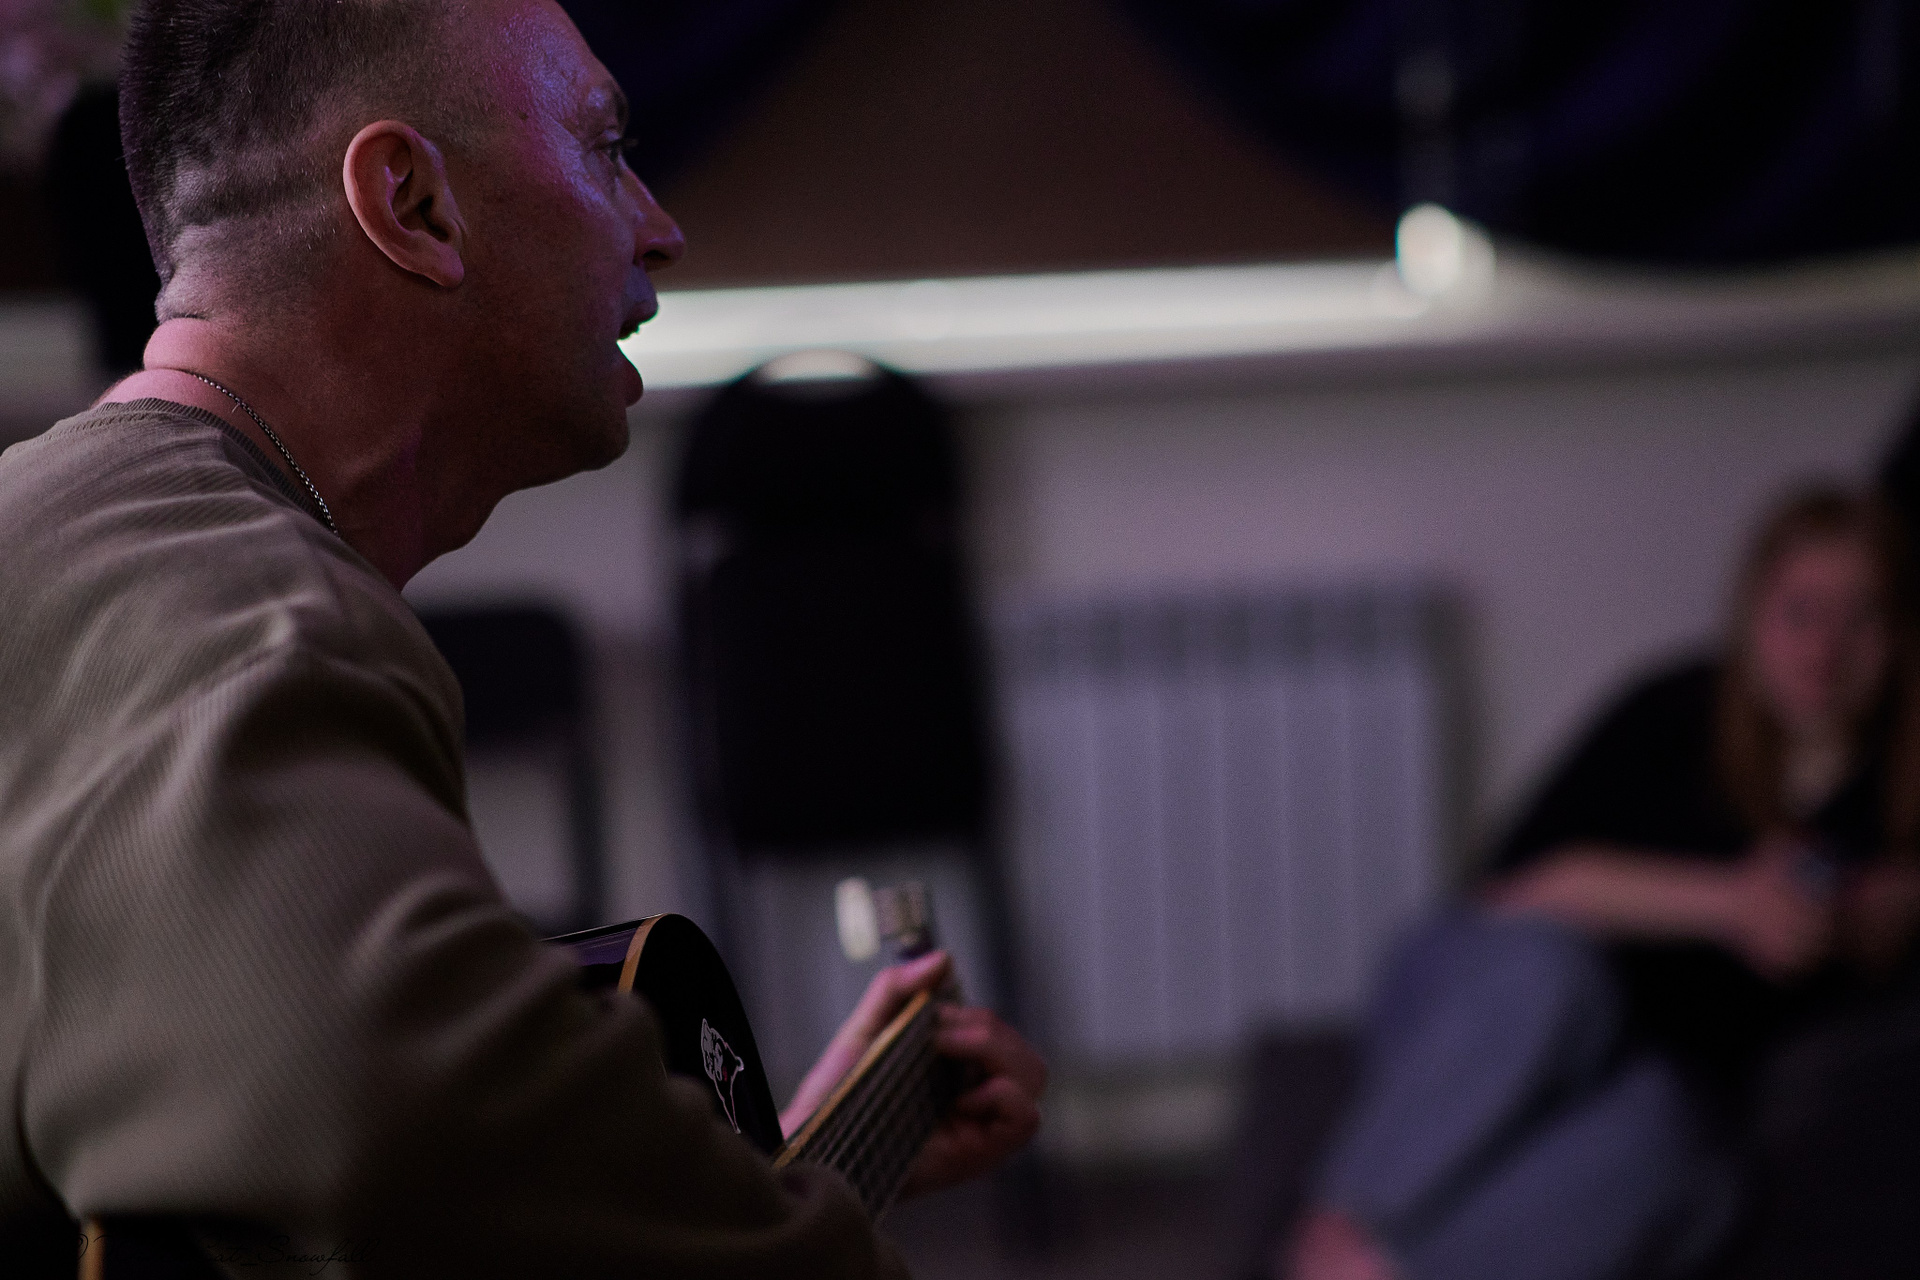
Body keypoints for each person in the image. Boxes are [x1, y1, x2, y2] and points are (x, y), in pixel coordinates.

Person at [0, 2, 1045, 1277]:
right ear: (413, 205)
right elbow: (398, 1132)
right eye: (605, 147)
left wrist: (778, 1170)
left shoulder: (77, 527)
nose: (660, 225)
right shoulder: (250, 619)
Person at [1283, 486, 1920, 1280]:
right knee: (1554, 976)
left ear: (1899, 636)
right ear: (1752, 614)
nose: (1825, 649)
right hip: (1496, 1018)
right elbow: (1515, 898)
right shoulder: (1671, 711)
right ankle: (1340, 1225)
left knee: (1668, 1132)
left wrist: (1864, 924)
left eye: (1861, 620)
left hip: (1656, 1098)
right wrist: (1730, 904)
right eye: (1802, 614)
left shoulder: (1894, 804)